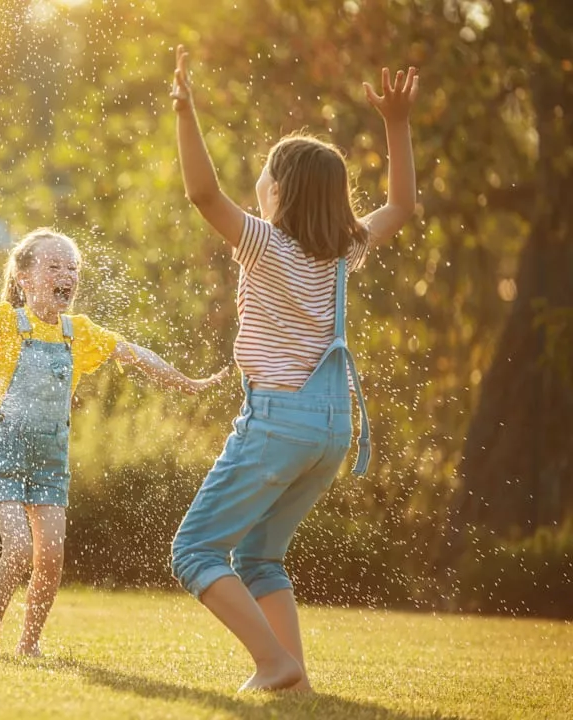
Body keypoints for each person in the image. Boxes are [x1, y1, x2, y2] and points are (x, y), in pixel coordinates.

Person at [168, 44, 419, 691]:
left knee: (194, 549)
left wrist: (185, 112)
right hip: (330, 433)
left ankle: (272, 661)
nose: (257, 185)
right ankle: (295, 680)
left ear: (277, 191)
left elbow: (201, 192)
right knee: (259, 554)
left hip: (277, 423)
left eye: (263, 177)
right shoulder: (341, 253)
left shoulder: (267, 244)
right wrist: (396, 123)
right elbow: (402, 207)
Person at [0, 228, 226, 657]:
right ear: (24, 278)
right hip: (3, 453)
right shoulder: (7, 322)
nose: (67, 275)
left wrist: (186, 382)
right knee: (20, 549)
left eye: (72, 268)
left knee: (51, 557)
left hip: (49, 460)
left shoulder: (78, 332)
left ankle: (29, 643)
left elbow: (135, 353)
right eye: (54, 267)